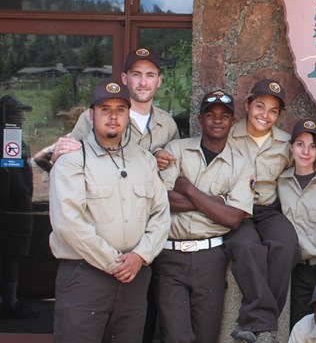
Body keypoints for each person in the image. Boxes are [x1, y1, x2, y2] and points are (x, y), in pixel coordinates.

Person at [48, 79, 171, 342]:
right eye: (105, 109)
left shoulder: (145, 161)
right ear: (91, 115)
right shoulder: (71, 161)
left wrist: (141, 255)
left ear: (128, 115)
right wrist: (112, 262)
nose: (113, 116)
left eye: (120, 109)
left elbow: (161, 215)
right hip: (85, 276)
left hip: (135, 277)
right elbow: (68, 223)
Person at [155, 90, 254, 342]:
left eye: (224, 115)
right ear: (200, 119)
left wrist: (187, 188)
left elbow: (233, 218)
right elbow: (162, 198)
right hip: (170, 256)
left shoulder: (240, 164)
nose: (217, 120)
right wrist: (216, 203)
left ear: (233, 121)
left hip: (210, 259)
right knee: (175, 336)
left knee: (206, 336)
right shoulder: (176, 149)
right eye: (211, 114)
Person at [224, 78, 301, 343]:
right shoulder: (228, 136)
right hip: (237, 211)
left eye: (273, 111)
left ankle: (252, 324)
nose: (265, 115)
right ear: (247, 105)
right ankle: (264, 326)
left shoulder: (285, 143)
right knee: (246, 248)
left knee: (285, 245)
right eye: (260, 106)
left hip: (269, 210)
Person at [52, 48, 180, 170]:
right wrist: (58, 155)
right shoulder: (93, 117)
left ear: (159, 81)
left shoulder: (167, 123)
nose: (143, 82)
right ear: (125, 78)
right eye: (136, 74)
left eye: (150, 75)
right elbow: (67, 160)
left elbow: (175, 169)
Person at [277, 119, 316, 329]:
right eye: (300, 144)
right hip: (294, 271)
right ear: (291, 146)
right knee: (298, 329)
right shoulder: (280, 183)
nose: (305, 151)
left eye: (312, 146)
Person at [0, 95, 36, 319]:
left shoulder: (15, 137)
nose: (20, 117)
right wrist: (22, 191)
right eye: (14, 113)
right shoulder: (7, 138)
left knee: (12, 254)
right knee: (11, 253)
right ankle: (10, 303)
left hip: (15, 206)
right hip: (11, 208)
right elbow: (11, 168)